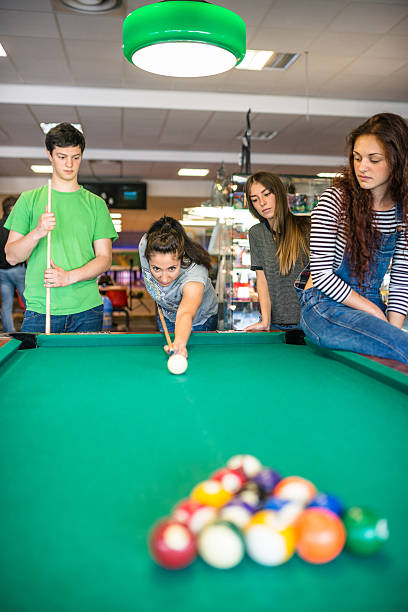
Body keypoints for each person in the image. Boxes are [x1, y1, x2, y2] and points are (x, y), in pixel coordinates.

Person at [296, 112, 408, 364]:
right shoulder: (334, 200)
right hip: (323, 306)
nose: (362, 167)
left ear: (398, 161)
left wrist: (391, 329)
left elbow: (401, 280)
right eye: (357, 158)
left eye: (374, 159)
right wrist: (378, 316)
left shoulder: (403, 211)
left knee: (398, 342)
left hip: (371, 307)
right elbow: (323, 276)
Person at [5, 123, 117, 333]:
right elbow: (11, 256)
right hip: (41, 310)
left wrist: (68, 277)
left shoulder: (95, 204)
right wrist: (37, 232)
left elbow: (104, 259)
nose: (69, 164)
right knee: (38, 367)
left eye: (75, 157)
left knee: (83, 368)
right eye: (62, 156)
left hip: (87, 309)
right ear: (49, 154)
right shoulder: (29, 200)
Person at [139, 216, 218, 357]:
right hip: (166, 314)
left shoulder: (194, 273)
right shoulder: (145, 245)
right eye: (156, 268)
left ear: (182, 257)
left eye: (171, 268)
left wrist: (180, 342)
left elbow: (186, 312)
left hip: (199, 320)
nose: (163, 279)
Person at [244, 172, 310, 333]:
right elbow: (262, 279)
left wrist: (310, 316)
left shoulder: (307, 227)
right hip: (274, 325)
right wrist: (265, 321)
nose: (262, 203)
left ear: (278, 193)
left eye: (267, 194)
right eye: (255, 199)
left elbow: (319, 274)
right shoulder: (256, 233)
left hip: (308, 322)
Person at [0, 196, 26, 332]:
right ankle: (31, 331)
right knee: (29, 302)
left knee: (6, 304)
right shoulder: (16, 227)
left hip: (2, 272)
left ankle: (9, 333)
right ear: (12, 209)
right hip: (17, 270)